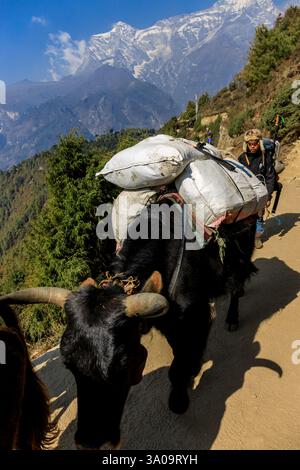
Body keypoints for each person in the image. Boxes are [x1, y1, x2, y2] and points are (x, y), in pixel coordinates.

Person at [238, 129, 276, 249]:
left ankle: (257, 237)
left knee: (259, 215)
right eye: (250, 143)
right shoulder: (242, 158)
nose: (253, 146)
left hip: (261, 190)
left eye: (255, 143)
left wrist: (268, 196)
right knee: (245, 215)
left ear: (259, 143)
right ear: (246, 144)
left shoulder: (266, 157)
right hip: (246, 191)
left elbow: (270, 177)